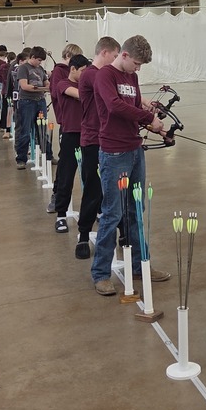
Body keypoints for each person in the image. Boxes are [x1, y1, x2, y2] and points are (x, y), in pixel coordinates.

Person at [90, 35, 170, 296]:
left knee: (136, 210)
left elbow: (134, 108)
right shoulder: (105, 76)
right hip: (114, 153)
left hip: (135, 150)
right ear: (122, 55)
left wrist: (156, 128)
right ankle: (101, 273)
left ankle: (140, 266)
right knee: (112, 213)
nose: (138, 69)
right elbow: (114, 107)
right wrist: (148, 117)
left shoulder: (132, 78)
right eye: (136, 63)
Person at [74, 36, 121, 260]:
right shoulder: (92, 74)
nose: (114, 61)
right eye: (114, 56)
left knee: (116, 190)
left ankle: (123, 234)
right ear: (104, 52)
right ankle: (83, 235)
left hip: (109, 140)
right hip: (93, 140)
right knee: (93, 189)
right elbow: (116, 97)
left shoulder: (105, 75)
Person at [50, 53, 90, 234]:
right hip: (70, 136)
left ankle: (94, 210)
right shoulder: (63, 84)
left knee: (92, 177)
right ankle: (61, 215)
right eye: (82, 71)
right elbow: (81, 95)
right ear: (72, 69)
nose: (85, 74)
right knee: (66, 177)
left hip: (88, 135)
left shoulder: (85, 85)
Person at [46, 43, 84, 213]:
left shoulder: (77, 74)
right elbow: (57, 93)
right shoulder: (60, 74)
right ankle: (57, 196)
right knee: (65, 166)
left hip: (83, 126)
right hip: (68, 124)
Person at [14, 46, 49, 169]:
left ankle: (48, 155)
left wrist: (48, 86)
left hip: (40, 101)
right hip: (27, 102)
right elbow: (24, 86)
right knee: (25, 131)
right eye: (38, 60)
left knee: (43, 130)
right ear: (32, 57)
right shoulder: (23, 68)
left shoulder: (40, 69)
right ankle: (21, 158)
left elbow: (46, 82)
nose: (40, 63)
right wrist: (43, 89)